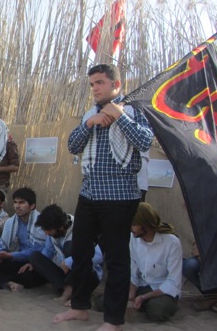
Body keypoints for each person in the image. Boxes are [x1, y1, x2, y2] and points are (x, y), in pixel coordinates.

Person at [54, 64, 154, 331]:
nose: (95, 88)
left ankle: (113, 321)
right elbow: (73, 145)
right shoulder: (90, 114)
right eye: (92, 84)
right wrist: (90, 123)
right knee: (81, 252)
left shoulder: (133, 111)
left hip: (120, 197)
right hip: (89, 194)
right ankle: (79, 307)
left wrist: (119, 116)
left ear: (116, 85)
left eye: (100, 82)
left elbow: (145, 142)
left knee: (116, 258)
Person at [24, 204, 103, 304]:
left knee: (69, 247)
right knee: (34, 256)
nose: (46, 233)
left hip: (88, 275)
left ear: (60, 227)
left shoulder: (80, 228)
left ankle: (74, 292)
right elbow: (48, 251)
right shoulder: (53, 232)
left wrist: (69, 261)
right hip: (65, 273)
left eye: (48, 230)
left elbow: (98, 256)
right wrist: (34, 264)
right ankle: (68, 288)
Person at [126, 203, 182, 322]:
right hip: (143, 286)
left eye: (134, 224)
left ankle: (150, 303)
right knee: (106, 301)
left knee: (157, 310)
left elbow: (173, 282)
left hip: (162, 290)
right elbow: (133, 273)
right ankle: (143, 303)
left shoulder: (172, 243)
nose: (131, 228)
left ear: (146, 224)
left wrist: (143, 297)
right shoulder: (133, 239)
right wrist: (132, 291)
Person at [0, 187, 47, 291]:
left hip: (34, 262)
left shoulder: (40, 222)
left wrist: (10, 255)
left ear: (32, 206)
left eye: (21, 203)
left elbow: (36, 251)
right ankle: (10, 283)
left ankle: (7, 282)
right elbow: (2, 244)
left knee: (32, 274)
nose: (17, 206)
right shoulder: (11, 222)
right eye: (15, 202)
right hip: (17, 258)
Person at [183, 242, 217, 313]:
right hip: (208, 258)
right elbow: (197, 245)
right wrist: (202, 258)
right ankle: (211, 296)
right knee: (189, 266)